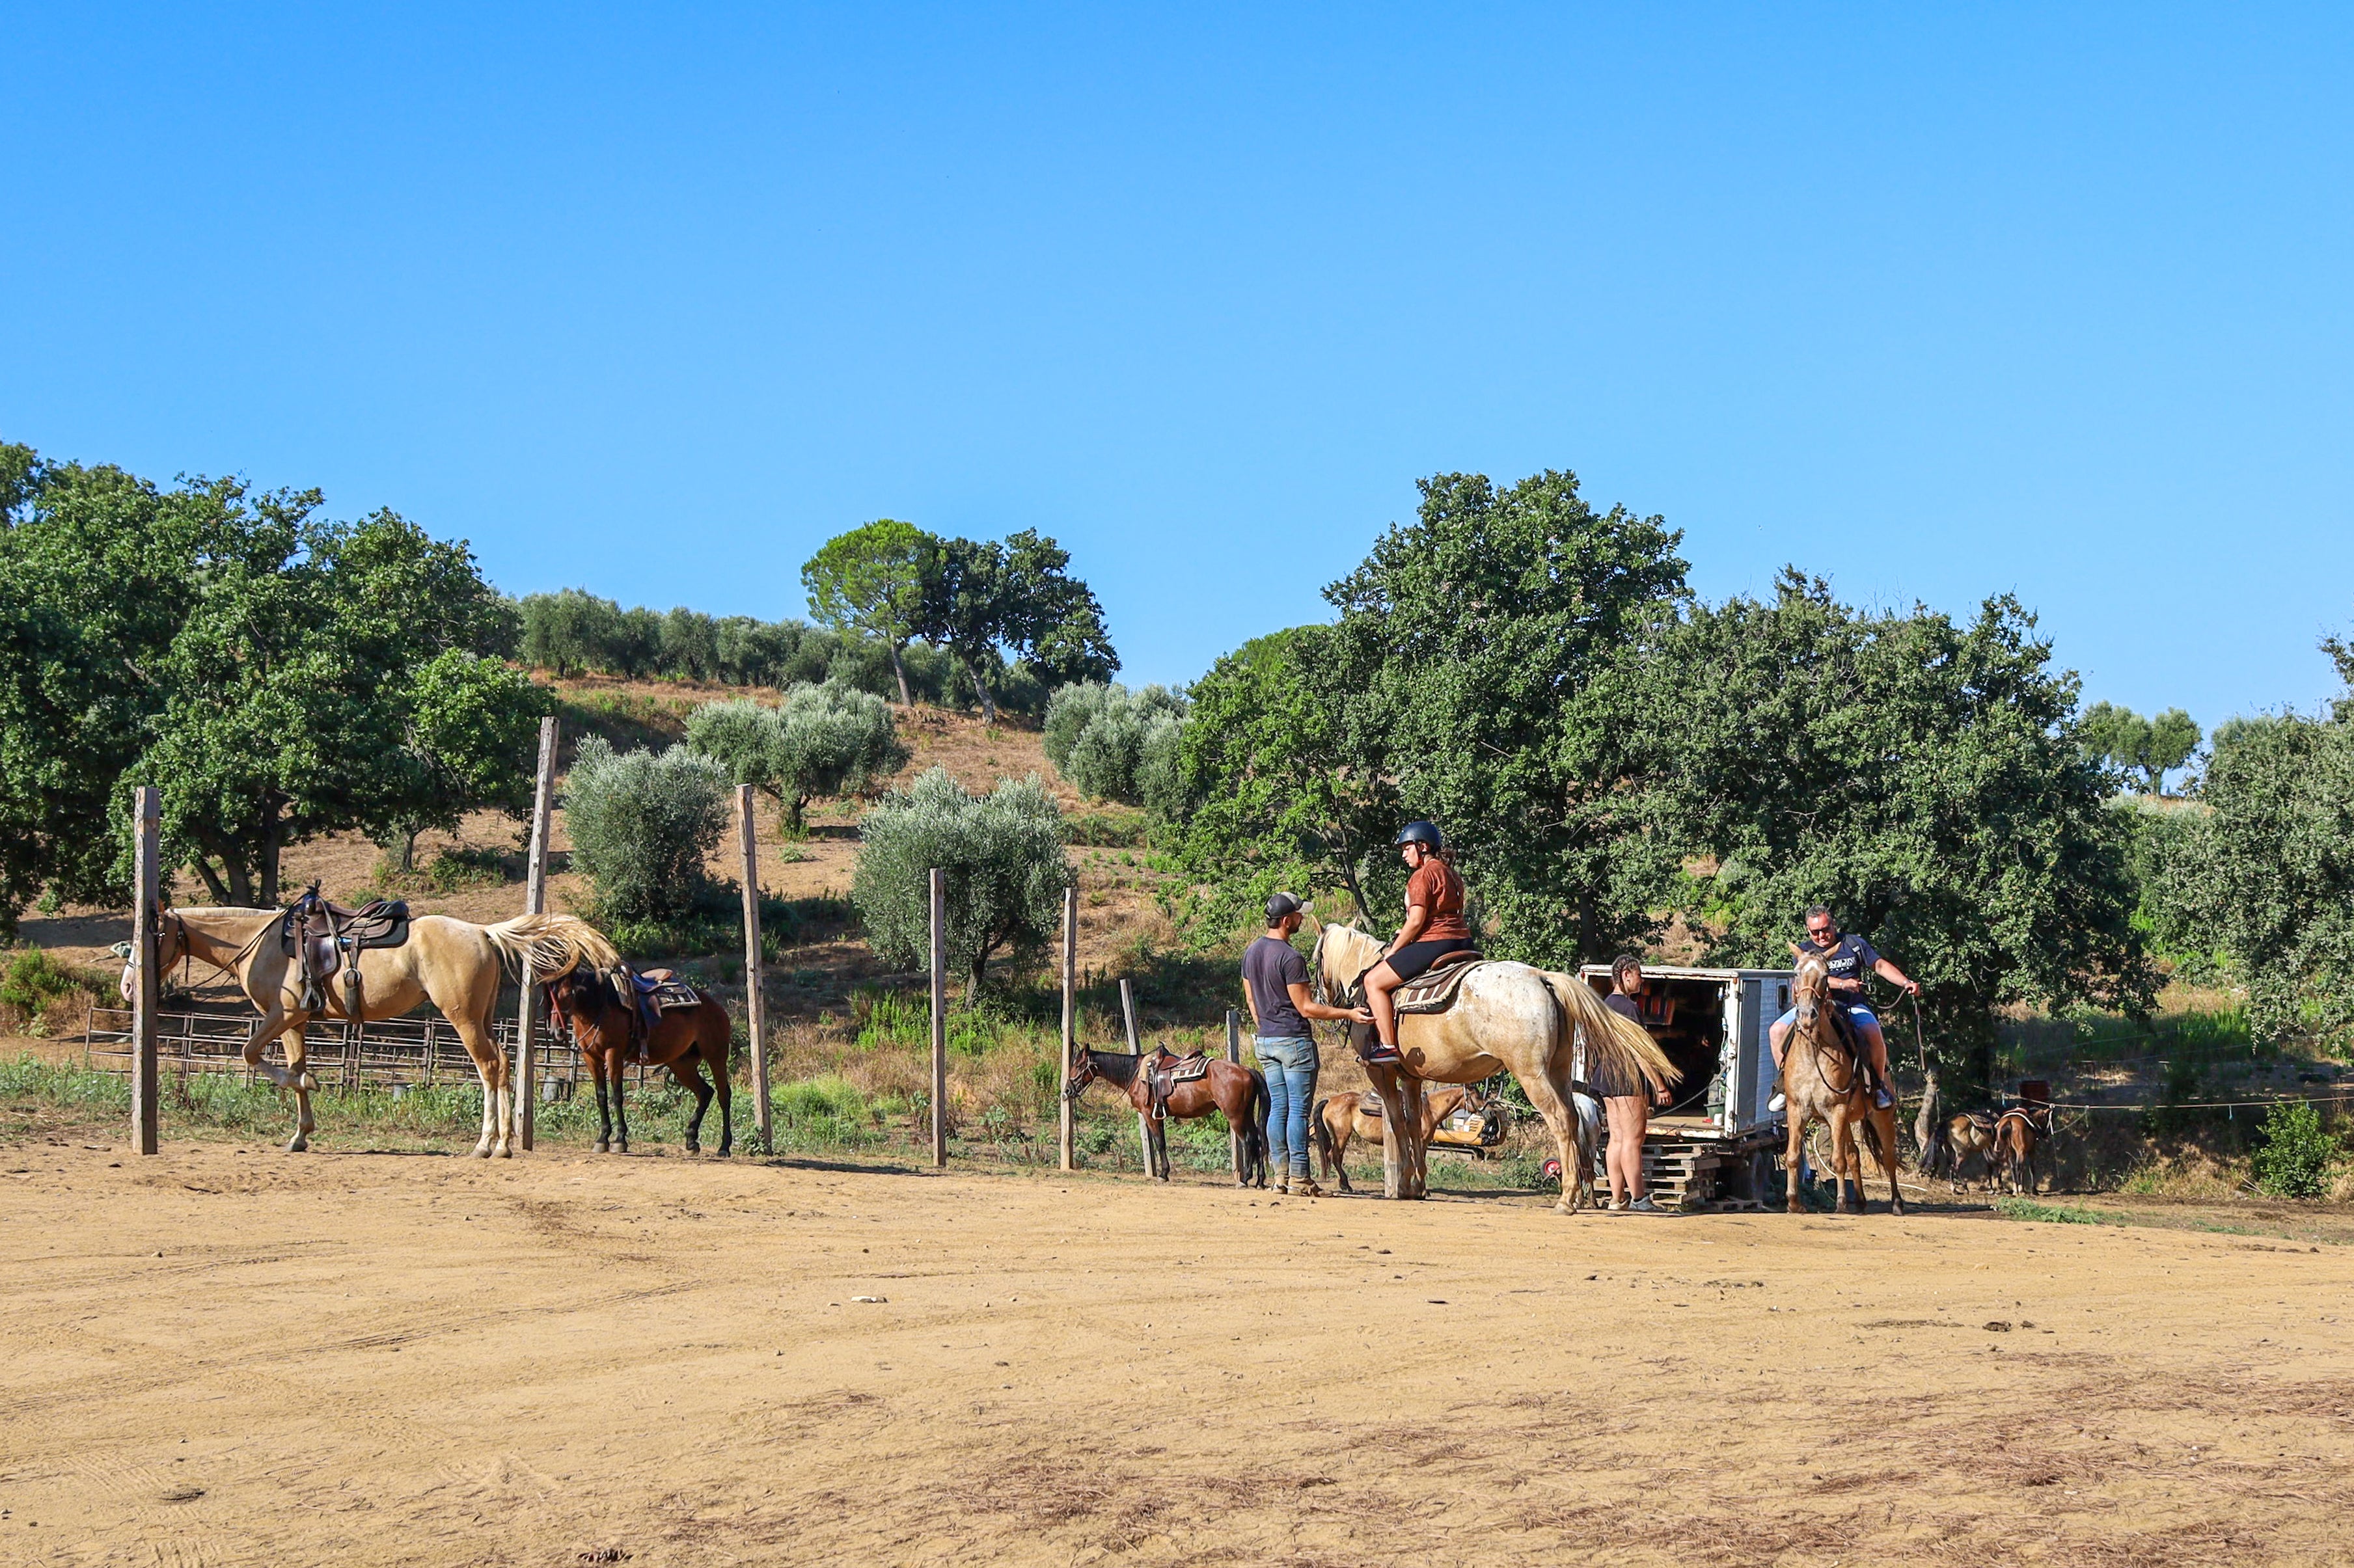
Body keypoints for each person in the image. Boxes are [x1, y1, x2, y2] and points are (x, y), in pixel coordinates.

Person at [1242, 893, 1371, 1196]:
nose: (1302, 919)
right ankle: (1301, 1178)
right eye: (1299, 916)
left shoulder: (1251, 953)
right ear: (1287, 921)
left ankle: (1281, 1178)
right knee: (1299, 1112)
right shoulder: (1290, 958)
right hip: (1294, 1043)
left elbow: (1251, 999)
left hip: (1267, 1041)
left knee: (1277, 1110)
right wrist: (1349, 1012)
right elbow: (1307, 1008)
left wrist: (1265, 1029)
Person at [1768, 905, 1919, 1111]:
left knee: (1873, 1033)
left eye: (1825, 929)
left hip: (1851, 1005)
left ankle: (1877, 1087)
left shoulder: (1854, 944)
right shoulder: (1804, 953)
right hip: (1814, 1005)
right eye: (1815, 932)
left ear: (1833, 925)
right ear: (1808, 931)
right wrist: (1842, 983)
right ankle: (1784, 1086)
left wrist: (1905, 982)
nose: (1821, 935)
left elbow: (1880, 966)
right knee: (1776, 1031)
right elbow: (1811, 978)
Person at [1360, 821, 1479, 1065]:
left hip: (1436, 942)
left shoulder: (1422, 875)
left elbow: (1415, 922)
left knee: (1373, 981)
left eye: (1407, 848)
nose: (1403, 854)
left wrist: (1393, 951)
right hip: (1463, 941)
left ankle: (1387, 1046)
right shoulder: (1452, 874)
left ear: (1422, 846)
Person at [1597, 954, 1674, 1213]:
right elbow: (1642, 1053)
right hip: (1627, 1080)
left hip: (1606, 1079)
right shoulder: (1629, 1009)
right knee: (1632, 1140)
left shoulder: (1605, 1004)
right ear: (1626, 974)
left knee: (1616, 1139)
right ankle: (1640, 1199)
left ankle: (1617, 1199)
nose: (1642, 981)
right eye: (1639, 975)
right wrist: (1660, 1086)